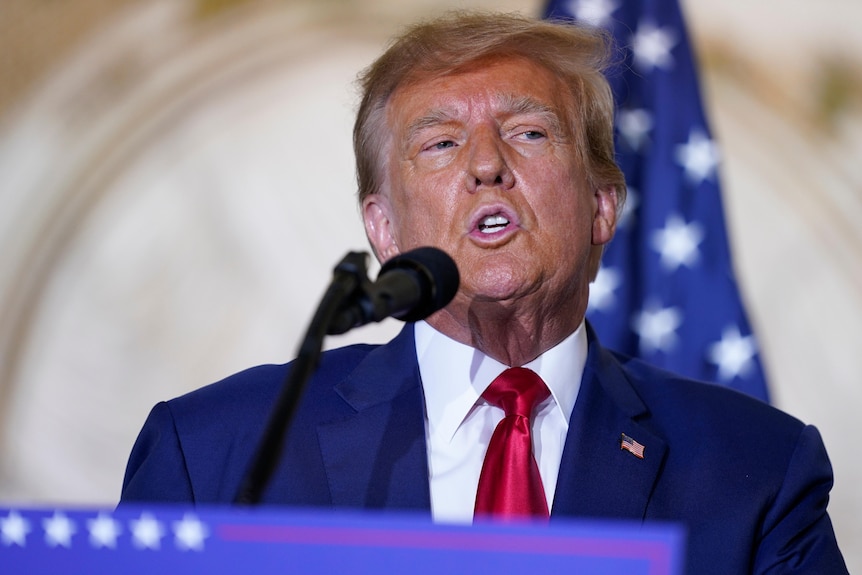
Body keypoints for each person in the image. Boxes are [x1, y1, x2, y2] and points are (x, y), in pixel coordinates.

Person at [121, 12, 847, 573]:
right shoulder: (213, 454)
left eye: (529, 133)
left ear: (602, 207)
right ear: (383, 228)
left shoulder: (756, 472)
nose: (486, 165)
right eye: (440, 143)